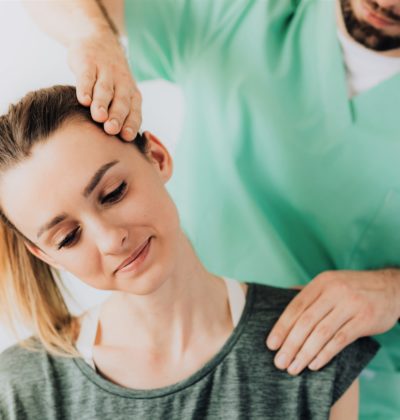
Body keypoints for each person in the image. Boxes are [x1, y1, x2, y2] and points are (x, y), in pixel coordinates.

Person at [23, 1, 400, 417]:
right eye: (67, 235)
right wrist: (93, 34)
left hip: (341, 377)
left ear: (158, 157)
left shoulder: (326, 380)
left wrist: (393, 290)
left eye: (113, 193)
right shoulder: (243, 16)